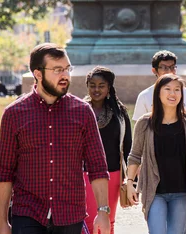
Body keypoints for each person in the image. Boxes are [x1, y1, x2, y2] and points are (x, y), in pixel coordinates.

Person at [0, 43, 111, 234]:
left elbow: (97, 165)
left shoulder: (82, 112)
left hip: (70, 214)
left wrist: (103, 211)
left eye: (67, 69)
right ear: (38, 74)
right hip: (27, 213)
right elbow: (4, 172)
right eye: (57, 70)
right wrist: (2, 222)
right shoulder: (13, 114)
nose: (65, 75)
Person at [127, 74, 186, 234]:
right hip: (154, 193)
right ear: (158, 92)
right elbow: (135, 155)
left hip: (182, 192)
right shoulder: (145, 123)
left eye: (177, 90)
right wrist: (129, 183)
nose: (172, 94)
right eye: (167, 89)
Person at [82, 66, 132, 234]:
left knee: (108, 221)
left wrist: (132, 179)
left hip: (113, 173)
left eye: (101, 85)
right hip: (85, 173)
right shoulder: (79, 110)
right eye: (92, 85)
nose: (96, 89)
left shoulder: (119, 112)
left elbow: (128, 145)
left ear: (109, 87)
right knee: (89, 220)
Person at [132, 50, 186, 121]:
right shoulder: (144, 96)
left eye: (172, 67)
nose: (169, 71)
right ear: (154, 70)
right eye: (164, 67)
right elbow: (139, 127)